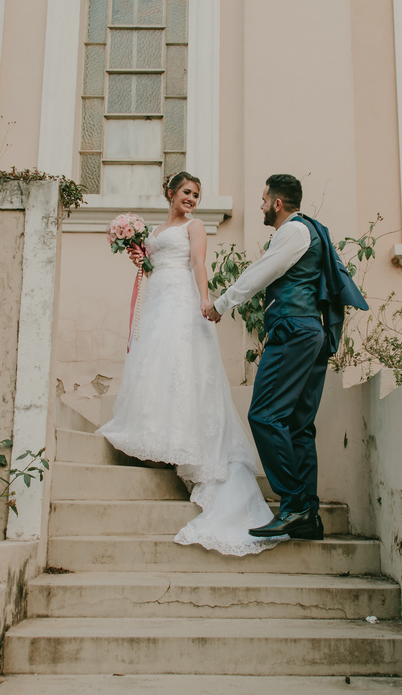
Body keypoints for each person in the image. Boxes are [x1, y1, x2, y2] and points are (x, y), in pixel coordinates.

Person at [97, 173, 287, 556]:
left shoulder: (195, 226)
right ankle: (158, 436)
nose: (192, 199)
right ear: (170, 192)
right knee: (158, 364)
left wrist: (205, 300)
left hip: (182, 299)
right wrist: (139, 255)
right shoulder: (154, 229)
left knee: (181, 366)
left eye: (196, 195)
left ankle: (187, 445)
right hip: (157, 298)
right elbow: (153, 268)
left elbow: (198, 263)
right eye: (186, 192)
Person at [207, 174, 368, 540]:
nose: (262, 206)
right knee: (296, 425)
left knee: (264, 414)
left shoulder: (293, 231)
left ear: (278, 203)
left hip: (294, 331)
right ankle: (308, 516)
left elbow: (264, 271)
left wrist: (222, 302)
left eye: (264, 200)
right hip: (309, 331)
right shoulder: (308, 230)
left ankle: (294, 504)